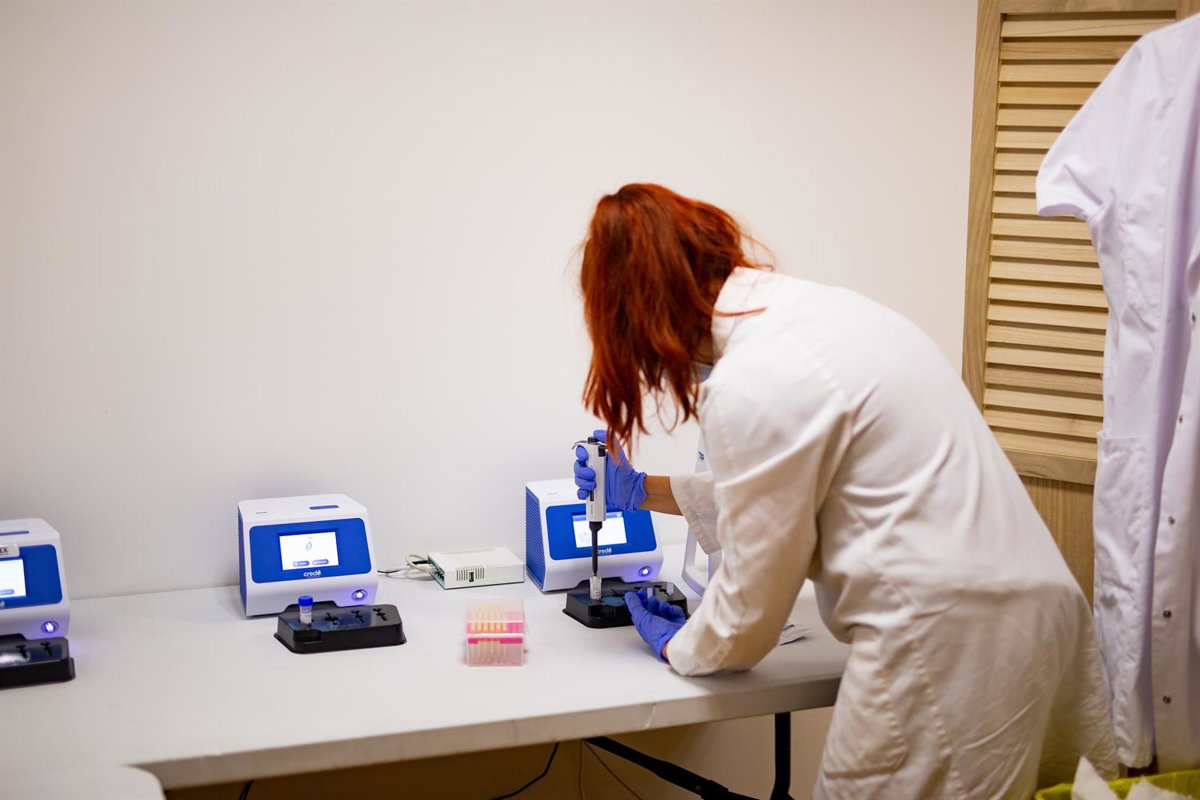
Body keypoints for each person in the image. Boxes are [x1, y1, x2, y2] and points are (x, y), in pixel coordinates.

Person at [571, 184, 1117, 799]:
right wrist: (643, 490)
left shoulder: (750, 378)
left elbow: (746, 619)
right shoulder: (827, 313)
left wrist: (678, 645)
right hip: (1042, 615)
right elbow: (790, 493)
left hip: (943, 650)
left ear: (643, 317)